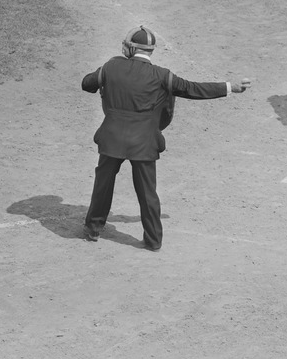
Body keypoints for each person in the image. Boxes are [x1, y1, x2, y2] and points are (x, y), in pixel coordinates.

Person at [81, 26, 251, 251]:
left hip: (111, 140)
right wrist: (230, 87)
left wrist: (102, 76)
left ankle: (93, 228)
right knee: (147, 193)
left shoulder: (111, 66)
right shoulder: (163, 76)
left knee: (103, 184)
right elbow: (192, 89)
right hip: (143, 144)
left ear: (132, 48)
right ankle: (153, 240)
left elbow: (87, 84)